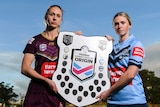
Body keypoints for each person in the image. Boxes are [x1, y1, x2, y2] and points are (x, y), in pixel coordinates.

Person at [96, 12, 148, 107]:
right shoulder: (111, 48)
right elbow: (94, 62)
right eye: (116, 24)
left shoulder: (135, 44)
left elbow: (130, 74)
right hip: (113, 102)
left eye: (123, 22)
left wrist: (108, 92)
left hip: (133, 102)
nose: (119, 26)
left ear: (130, 25)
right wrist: (104, 44)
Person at [21, 5, 65, 107]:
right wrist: (45, 80)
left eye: (58, 16)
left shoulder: (67, 42)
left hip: (57, 93)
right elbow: (25, 68)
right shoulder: (35, 40)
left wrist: (105, 41)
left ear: (61, 20)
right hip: (36, 92)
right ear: (46, 17)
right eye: (52, 14)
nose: (54, 18)